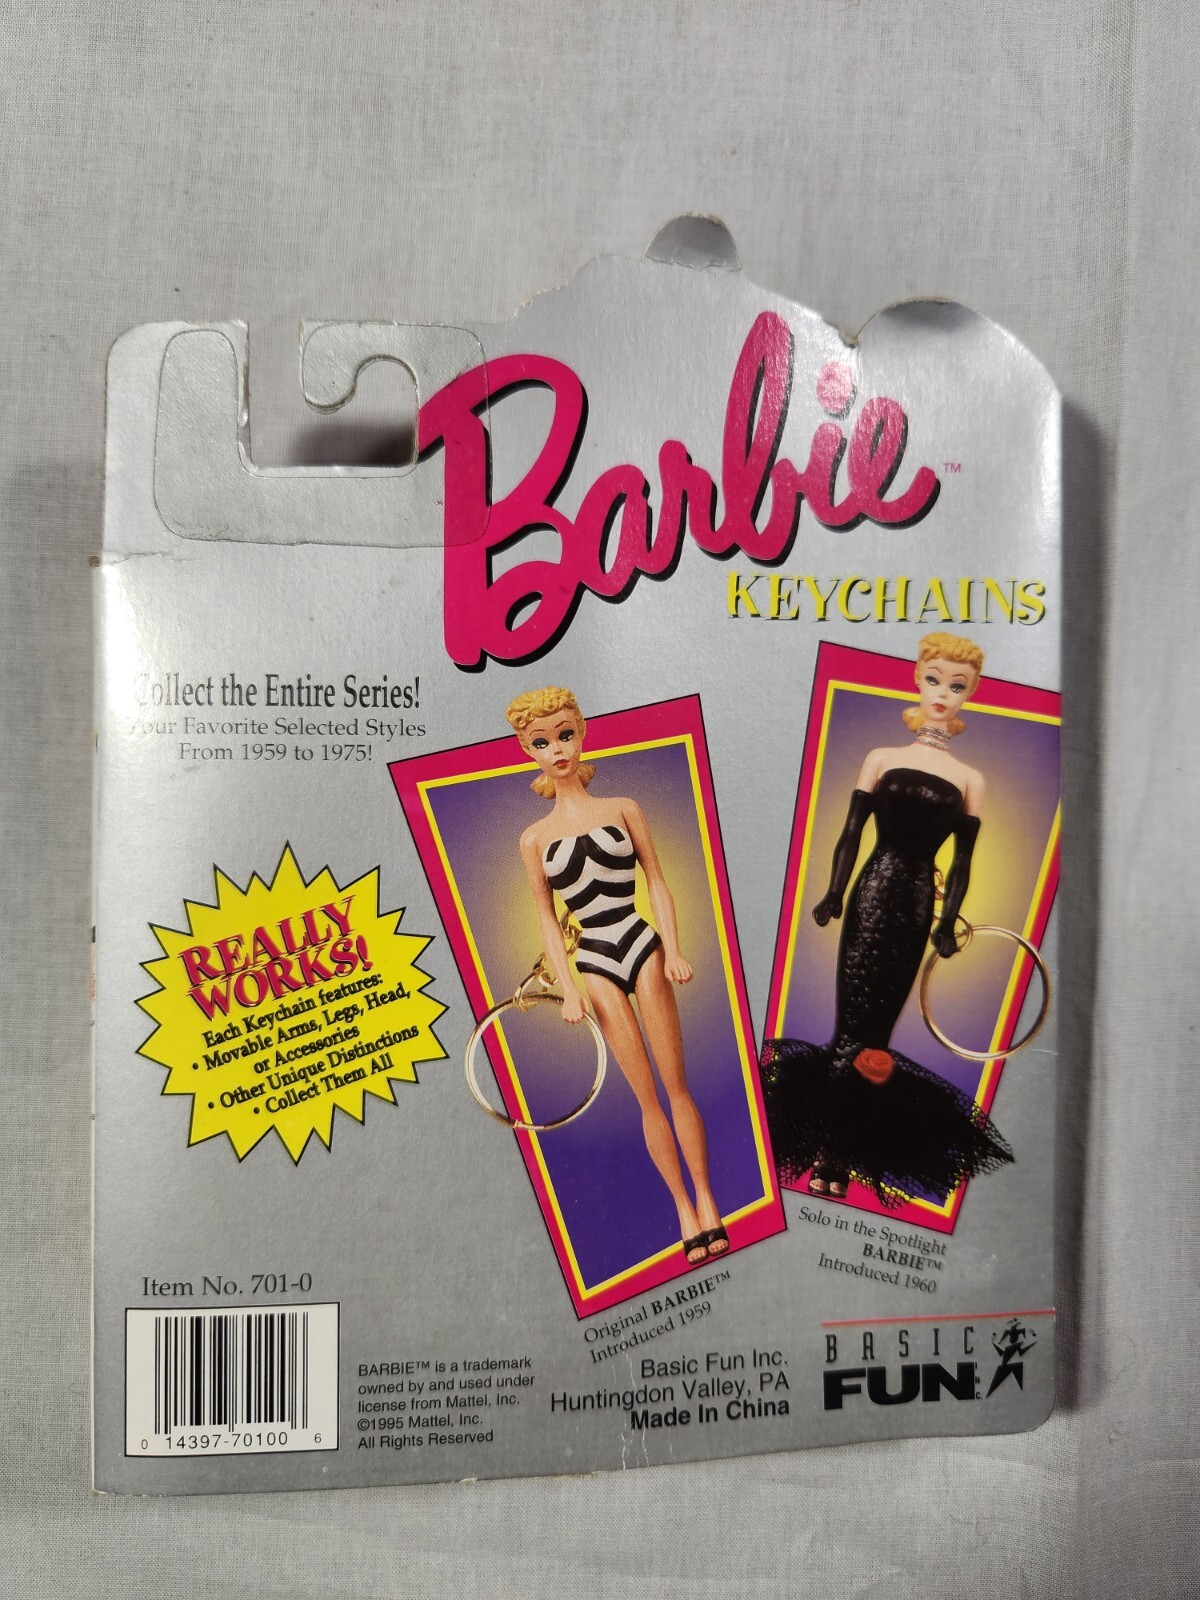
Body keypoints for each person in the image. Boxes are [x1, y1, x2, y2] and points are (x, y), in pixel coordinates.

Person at [762, 632, 1013, 1203]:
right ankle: (829, 1152)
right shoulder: (881, 758)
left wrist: (947, 922)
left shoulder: (971, 780)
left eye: (957, 685)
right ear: (917, 678)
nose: (943, 693)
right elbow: (851, 835)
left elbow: (963, 863)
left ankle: (840, 1152)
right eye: (935, 679)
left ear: (971, 692)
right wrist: (834, 892)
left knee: (875, 1037)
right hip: (872, 894)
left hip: (916, 905)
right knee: (849, 1029)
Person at [506, 686, 728, 1264]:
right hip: (595, 960)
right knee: (646, 1097)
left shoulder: (624, 808)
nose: (557, 750)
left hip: (640, 941)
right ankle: (683, 1208)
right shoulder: (533, 839)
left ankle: (708, 1200)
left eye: (565, 735)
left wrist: (674, 949)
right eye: (542, 742)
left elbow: (656, 881)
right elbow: (548, 921)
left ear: (581, 732)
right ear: (527, 750)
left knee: (676, 1086)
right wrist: (568, 988)